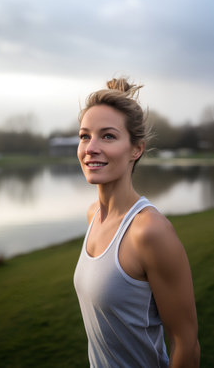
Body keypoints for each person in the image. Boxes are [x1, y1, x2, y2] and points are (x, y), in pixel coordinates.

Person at [74, 77, 200, 368]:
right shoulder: (93, 215)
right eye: (84, 136)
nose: (91, 147)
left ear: (136, 150)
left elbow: (187, 344)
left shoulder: (149, 231)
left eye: (107, 136)